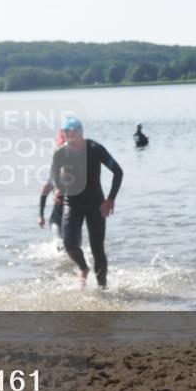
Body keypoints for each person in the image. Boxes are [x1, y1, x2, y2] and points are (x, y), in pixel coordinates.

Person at [39, 117, 123, 288]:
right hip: (72, 202)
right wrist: (57, 189)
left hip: (95, 204)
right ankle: (84, 268)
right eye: (65, 134)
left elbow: (118, 172)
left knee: (97, 250)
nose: (68, 138)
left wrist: (110, 199)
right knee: (69, 244)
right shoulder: (60, 153)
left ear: (80, 133)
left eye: (71, 134)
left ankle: (102, 288)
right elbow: (54, 175)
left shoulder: (95, 149)